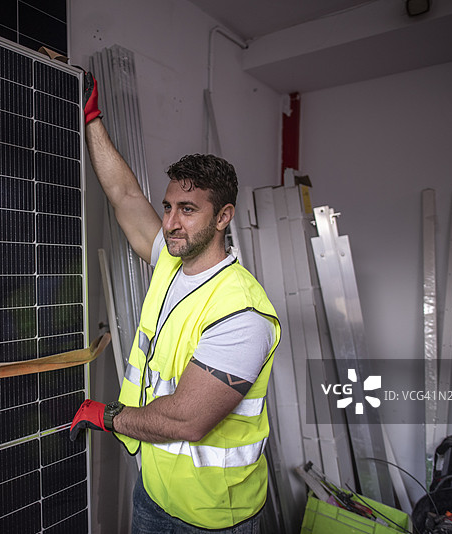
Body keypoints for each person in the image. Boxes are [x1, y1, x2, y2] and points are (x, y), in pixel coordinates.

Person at [69, 72, 281, 533]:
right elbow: (125, 195)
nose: (170, 223)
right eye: (168, 207)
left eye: (187, 209)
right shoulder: (170, 261)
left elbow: (187, 420)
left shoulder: (242, 314)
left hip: (211, 517)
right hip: (154, 491)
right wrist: (92, 120)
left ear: (223, 216)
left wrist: (108, 417)